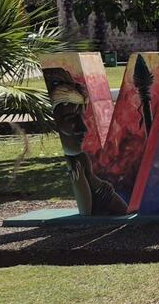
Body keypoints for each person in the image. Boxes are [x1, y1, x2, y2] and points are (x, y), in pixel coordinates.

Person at [44, 68, 127, 215]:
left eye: (81, 116)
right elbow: (87, 211)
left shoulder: (80, 158)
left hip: (103, 196)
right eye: (70, 118)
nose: (83, 128)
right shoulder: (76, 162)